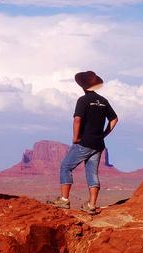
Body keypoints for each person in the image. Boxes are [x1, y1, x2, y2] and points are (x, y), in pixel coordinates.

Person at [48, 71, 118, 215]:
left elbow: (77, 119)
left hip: (84, 142)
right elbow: (114, 119)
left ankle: (64, 200)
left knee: (65, 167)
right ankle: (91, 205)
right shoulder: (103, 101)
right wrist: (104, 134)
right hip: (98, 144)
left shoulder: (83, 100)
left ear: (83, 86)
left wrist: (75, 137)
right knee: (92, 173)